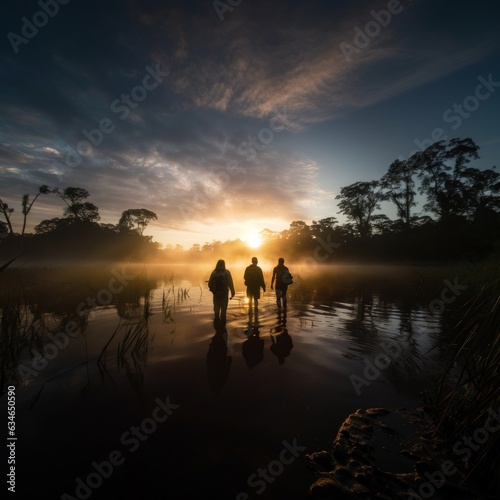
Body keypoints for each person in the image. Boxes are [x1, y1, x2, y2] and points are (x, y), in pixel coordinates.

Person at [208, 259, 235, 324]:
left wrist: (213, 291)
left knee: (216, 309)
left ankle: (216, 323)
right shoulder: (227, 272)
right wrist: (232, 292)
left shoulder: (214, 272)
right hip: (224, 293)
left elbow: (210, 284)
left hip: (216, 294)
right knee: (223, 309)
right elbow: (230, 283)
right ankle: (223, 324)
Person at [244, 256, 266, 322]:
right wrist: (264, 287)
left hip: (249, 287)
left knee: (250, 299)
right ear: (256, 262)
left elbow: (245, 277)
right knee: (256, 299)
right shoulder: (258, 269)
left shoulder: (248, 268)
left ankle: (250, 311)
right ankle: (256, 311)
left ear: (251, 261)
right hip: (256, 287)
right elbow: (261, 279)